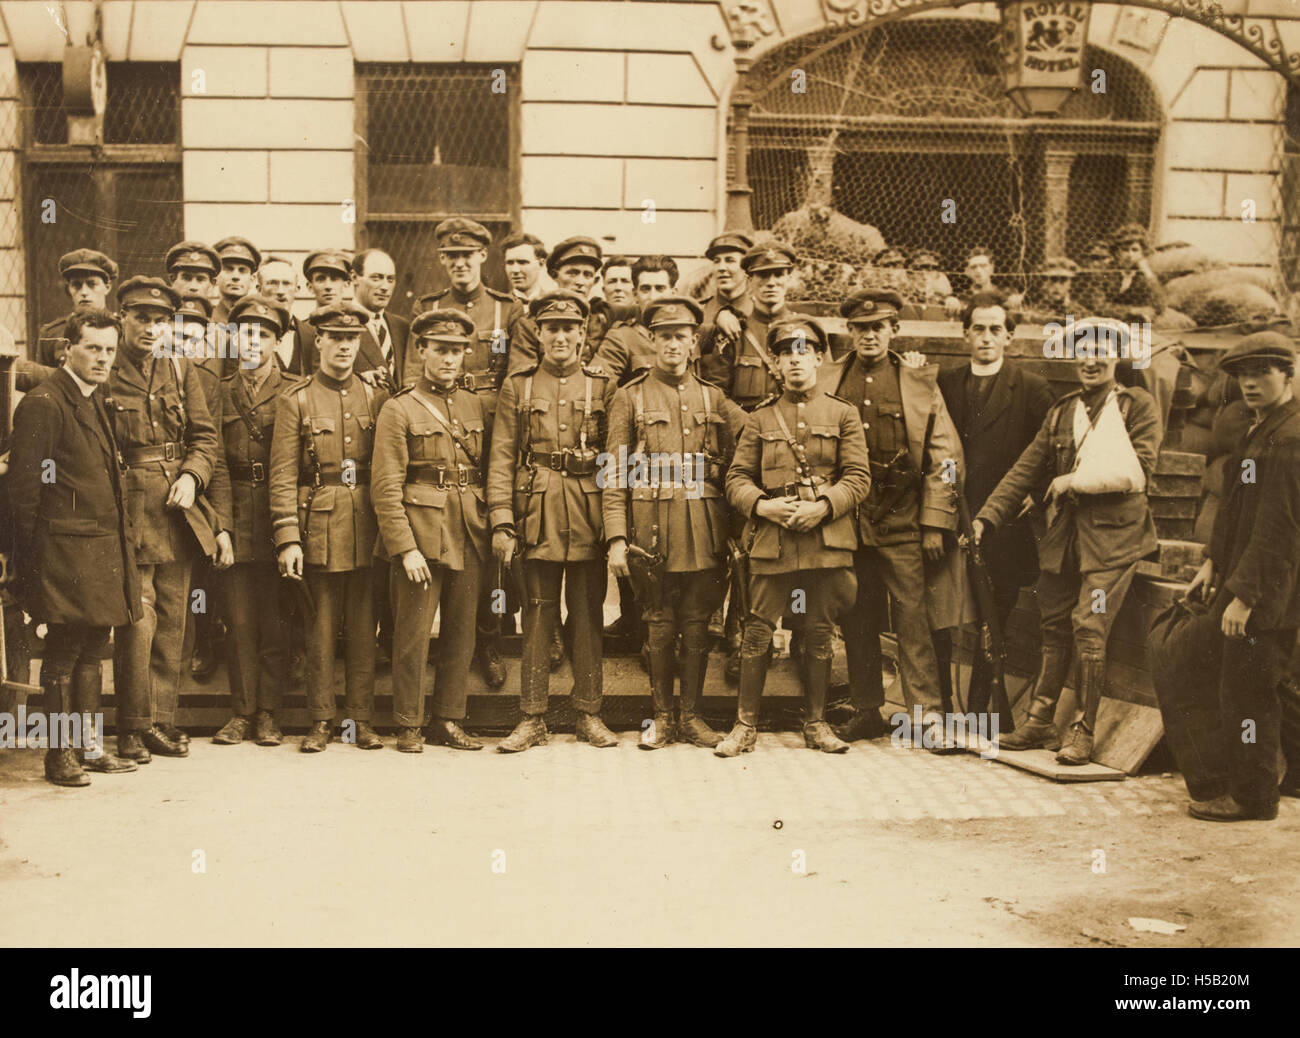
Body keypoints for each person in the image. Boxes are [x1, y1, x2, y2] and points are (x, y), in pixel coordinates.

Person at [976, 317, 1161, 765]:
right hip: (1065, 541)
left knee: (1088, 626)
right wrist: (986, 519)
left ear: (1116, 358)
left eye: (1101, 351)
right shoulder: (1062, 410)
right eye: (1083, 351)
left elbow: (1138, 472)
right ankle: (1039, 721)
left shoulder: (1137, 406)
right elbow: (1024, 468)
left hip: (1114, 543)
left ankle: (1083, 729)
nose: (1090, 361)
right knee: (1053, 623)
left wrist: (1073, 480)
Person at [716, 317, 870, 756]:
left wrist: (824, 507)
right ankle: (744, 725)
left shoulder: (843, 414)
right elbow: (736, 479)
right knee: (757, 632)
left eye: (804, 351)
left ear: (819, 357)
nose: (795, 360)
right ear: (777, 365)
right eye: (786, 353)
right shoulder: (762, 417)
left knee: (819, 631)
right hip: (774, 540)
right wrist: (763, 506)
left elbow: (858, 477)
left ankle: (816, 723)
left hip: (825, 539)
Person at [822, 290, 965, 749]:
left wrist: (936, 522)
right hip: (848, 523)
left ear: (894, 331)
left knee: (913, 620)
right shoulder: (830, 378)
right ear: (850, 332)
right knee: (856, 617)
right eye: (861, 328)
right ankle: (867, 711)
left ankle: (927, 718)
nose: (869, 335)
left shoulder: (919, 383)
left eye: (878, 327)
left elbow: (946, 456)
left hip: (903, 522)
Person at [604, 296, 747, 749]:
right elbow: (614, 472)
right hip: (652, 527)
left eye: (681, 337)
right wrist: (616, 537)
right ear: (651, 339)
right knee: (659, 621)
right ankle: (662, 717)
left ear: (693, 344)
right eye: (664, 336)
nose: (672, 344)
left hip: (705, 523)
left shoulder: (714, 396)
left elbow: (756, 434)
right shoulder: (630, 397)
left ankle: (692, 717)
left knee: (698, 621)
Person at [8, 308, 140, 785]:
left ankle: (86, 746)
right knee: (63, 654)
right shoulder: (46, 402)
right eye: (93, 348)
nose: (103, 358)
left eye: (109, 349)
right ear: (68, 348)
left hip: (99, 553)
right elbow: (24, 494)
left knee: (91, 648)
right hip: (62, 556)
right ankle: (59, 755)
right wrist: (29, 565)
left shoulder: (93, 398)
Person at [487, 291, 619, 752]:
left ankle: (589, 713)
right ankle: (532, 717)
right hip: (535, 512)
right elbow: (501, 455)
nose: (561, 337)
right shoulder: (518, 385)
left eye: (570, 328)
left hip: (587, 512)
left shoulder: (602, 386)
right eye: (552, 329)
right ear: (538, 335)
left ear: (583, 334)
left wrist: (615, 526)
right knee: (538, 616)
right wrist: (502, 521)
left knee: (587, 615)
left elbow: (616, 458)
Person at [1183, 332, 1300, 820]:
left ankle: (1253, 797)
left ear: (1288, 375)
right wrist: (1212, 560)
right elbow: (1237, 508)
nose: (1250, 383)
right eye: (1243, 376)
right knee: (1266, 684)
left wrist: (1244, 597)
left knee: (1249, 694)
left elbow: (1278, 529)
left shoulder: (1290, 438)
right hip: (1248, 580)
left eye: (1262, 373)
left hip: (1268, 592)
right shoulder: (1263, 429)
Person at [416, 217, 537, 687]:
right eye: (451, 256)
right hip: (440, 435)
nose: (460, 264)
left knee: (492, 542)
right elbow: (414, 378)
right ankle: (443, 644)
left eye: (468, 256)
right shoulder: (430, 310)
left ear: (483, 258)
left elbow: (520, 378)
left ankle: (488, 638)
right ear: (442, 260)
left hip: (490, 436)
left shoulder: (508, 312)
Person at [107, 277, 221, 763]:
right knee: (139, 617)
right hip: (129, 506)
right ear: (122, 319)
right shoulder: (105, 369)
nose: (152, 328)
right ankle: (132, 726)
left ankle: (162, 721)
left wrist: (194, 477)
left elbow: (205, 438)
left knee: (174, 619)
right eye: (142, 318)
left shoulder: (179, 368)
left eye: (160, 320)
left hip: (178, 508)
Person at [270, 302, 389, 753]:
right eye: (335, 337)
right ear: (317, 340)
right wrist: (287, 538)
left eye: (351, 338)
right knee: (319, 629)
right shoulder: (296, 399)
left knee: (364, 628)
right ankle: (320, 719)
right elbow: (282, 475)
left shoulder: (376, 396)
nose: (343, 346)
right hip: (317, 523)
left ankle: (360, 720)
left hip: (367, 523)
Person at [371, 309, 489, 753]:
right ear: (421, 350)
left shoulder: (476, 404)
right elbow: (386, 486)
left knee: (462, 631)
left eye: (457, 351)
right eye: (440, 349)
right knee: (413, 634)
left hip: (468, 529)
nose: (449, 359)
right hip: (420, 534)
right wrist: (404, 548)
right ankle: (407, 723)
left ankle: (449, 719)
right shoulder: (398, 408)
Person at [935, 293, 1054, 713]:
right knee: (945, 613)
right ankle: (942, 704)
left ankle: (985, 703)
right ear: (965, 333)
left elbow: (1052, 450)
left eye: (995, 330)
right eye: (978, 329)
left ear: (1009, 336)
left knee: (994, 613)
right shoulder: (946, 383)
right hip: (953, 515)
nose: (986, 338)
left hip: (1004, 524)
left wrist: (1033, 494)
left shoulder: (1032, 387)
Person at [211, 296, 293, 747]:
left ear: (278, 341)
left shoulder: (295, 390)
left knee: (276, 620)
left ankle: (269, 713)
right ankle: (241, 713)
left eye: (263, 334)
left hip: (279, 519)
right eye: (244, 333)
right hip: (237, 515)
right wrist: (221, 525)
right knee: (239, 620)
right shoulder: (219, 392)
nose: (252, 342)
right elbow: (216, 462)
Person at [699, 241, 801, 411]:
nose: (771, 282)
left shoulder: (802, 333)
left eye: (778, 274)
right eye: (763, 275)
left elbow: (818, 388)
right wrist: (748, 428)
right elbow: (717, 393)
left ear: (789, 278)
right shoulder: (734, 332)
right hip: (746, 433)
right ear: (750, 279)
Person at [36, 249, 118, 368]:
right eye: (76, 285)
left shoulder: (122, 330)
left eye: (91, 284)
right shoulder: (51, 334)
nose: (84, 292)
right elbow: (44, 381)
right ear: (68, 289)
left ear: (107, 288)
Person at [351, 247, 413, 387]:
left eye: (390, 279)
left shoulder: (401, 327)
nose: (385, 287)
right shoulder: (339, 324)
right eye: (376, 278)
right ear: (354, 278)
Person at [1101, 223, 1163, 322]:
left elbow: (1159, 307)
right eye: (1125, 250)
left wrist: (1148, 273)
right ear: (1116, 252)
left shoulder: (1143, 276)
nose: (1130, 255)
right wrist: (1132, 310)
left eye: (1135, 250)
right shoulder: (1104, 271)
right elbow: (1097, 306)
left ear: (1143, 253)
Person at [256, 255, 301, 372]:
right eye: (272, 283)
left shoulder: (311, 334)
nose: (280, 291)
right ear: (258, 289)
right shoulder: (247, 335)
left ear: (297, 289)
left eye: (287, 283)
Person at [211, 236, 261, 326]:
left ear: (252, 279)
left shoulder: (260, 320)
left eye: (242, 270)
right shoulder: (206, 319)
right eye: (228, 269)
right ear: (216, 277)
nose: (235, 277)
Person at [1020, 257, 1080, 324]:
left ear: (1070, 284)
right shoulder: (1030, 307)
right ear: (1044, 283)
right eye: (1053, 280)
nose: (1057, 286)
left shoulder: (1076, 310)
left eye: (1063, 280)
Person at [502, 231, 552, 304]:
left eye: (522, 262)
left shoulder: (551, 304)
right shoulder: (500, 306)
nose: (515, 270)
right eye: (510, 263)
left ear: (541, 263)